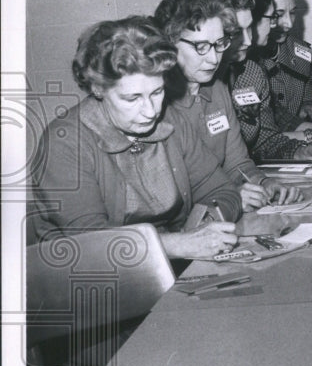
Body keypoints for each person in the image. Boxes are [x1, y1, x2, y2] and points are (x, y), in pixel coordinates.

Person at [31, 17, 240, 259]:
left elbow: (224, 190)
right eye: (132, 98)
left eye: (157, 92)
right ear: (97, 89)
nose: (151, 111)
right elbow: (90, 242)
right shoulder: (63, 143)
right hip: (92, 282)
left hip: (169, 267)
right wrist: (176, 245)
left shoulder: (171, 120)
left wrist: (205, 226)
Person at [154, 0, 304, 211]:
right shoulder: (156, 103)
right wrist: (230, 198)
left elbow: (238, 164)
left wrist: (264, 184)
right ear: (169, 44)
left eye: (219, 44)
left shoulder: (216, 89)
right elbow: (168, 196)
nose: (214, 59)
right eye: (201, 46)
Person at [203, 0, 312, 162]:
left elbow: (267, 137)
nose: (287, 24)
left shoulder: (251, 71)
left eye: (291, 12)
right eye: (274, 16)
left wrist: (304, 150)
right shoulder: (203, 77)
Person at [251, 0, 312, 131]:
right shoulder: (245, 60)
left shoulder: (301, 53)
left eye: (292, 12)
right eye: (278, 14)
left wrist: (308, 106)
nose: (289, 24)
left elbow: (308, 92)